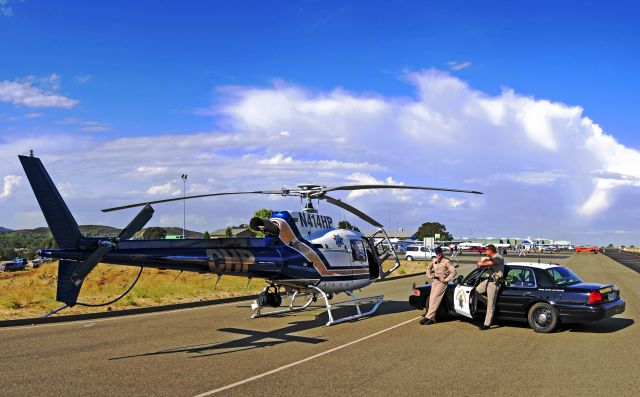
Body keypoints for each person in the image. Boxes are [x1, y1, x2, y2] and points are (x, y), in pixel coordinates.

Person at [420, 246, 457, 325]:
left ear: (442, 252)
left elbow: (454, 271)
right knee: (431, 299)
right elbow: (428, 268)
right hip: (435, 281)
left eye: (439, 252)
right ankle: (431, 317)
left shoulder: (446, 261)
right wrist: (429, 275)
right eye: (437, 253)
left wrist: (446, 279)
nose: (438, 254)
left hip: (442, 282)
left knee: (435, 299)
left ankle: (428, 317)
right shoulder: (434, 260)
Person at [474, 244, 504, 330]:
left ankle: (487, 324)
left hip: (494, 283)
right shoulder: (490, 258)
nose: (485, 252)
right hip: (487, 280)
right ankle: (489, 302)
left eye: (486, 250)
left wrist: (484, 261)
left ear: (491, 250)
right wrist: (481, 264)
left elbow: (492, 261)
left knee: (490, 305)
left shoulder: (499, 257)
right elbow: (488, 264)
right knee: (475, 292)